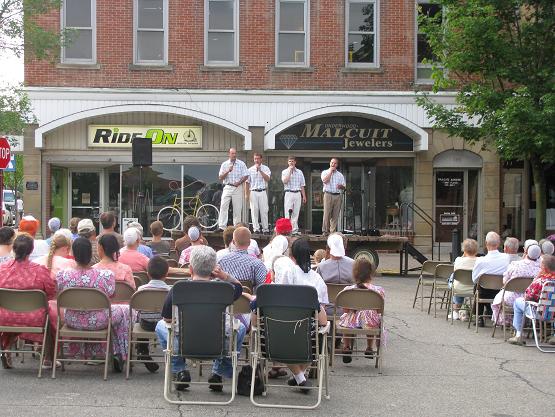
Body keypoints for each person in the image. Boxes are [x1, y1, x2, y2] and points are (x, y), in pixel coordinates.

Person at [155, 245, 246, 391]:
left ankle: (180, 370)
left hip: (183, 345)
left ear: (190, 269)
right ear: (213, 270)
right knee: (240, 327)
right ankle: (219, 372)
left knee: (160, 325)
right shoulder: (224, 290)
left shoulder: (179, 288)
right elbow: (239, 287)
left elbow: (167, 318)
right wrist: (224, 276)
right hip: (219, 344)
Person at [56, 237, 131, 371]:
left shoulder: (62, 275)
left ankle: (107, 353)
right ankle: (119, 352)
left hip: (72, 319)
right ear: (91, 254)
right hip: (98, 320)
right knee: (125, 310)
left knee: (118, 310)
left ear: (73, 254)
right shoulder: (105, 275)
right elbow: (111, 295)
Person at [0, 234, 56, 369]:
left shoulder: (2, 270)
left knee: (13, 313)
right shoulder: (40, 271)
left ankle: (6, 347)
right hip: (34, 316)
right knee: (52, 315)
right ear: (31, 251)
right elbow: (50, 292)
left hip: (4, 315)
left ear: (13, 249)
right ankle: (47, 358)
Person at [286, 238, 328, 391]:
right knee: (320, 333)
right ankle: (300, 376)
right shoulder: (317, 279)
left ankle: (299, 376)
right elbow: (321, 310)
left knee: (283, 341)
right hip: (309, 333)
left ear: (292, 256)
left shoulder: (287, 273)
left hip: (283, 328)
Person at [339, 258, 385, 362]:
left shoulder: (348, 290)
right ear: (371, 273)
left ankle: (346, 346)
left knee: (347, 317)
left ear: (355, 273)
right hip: (370, 323)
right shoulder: (378, 290)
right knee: (372, 317)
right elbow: (379, 311)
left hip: (351, 323)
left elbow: (346, 310)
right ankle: (369, 347)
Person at [134, 256, 171, 373]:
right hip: (165, 324)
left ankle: (142, 349)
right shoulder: (170, 290)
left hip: (146, 324)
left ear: (148, 274)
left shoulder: (141, 289)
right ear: (166, 274)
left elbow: (137, 308)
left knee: (139, 317)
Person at [508, 254, 555, 345]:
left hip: (540, 313)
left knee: (518, 302)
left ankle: (518, 335)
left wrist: (536, 278)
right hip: (554, 313)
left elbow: (528, 297)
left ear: (544, 267)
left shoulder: (540, 281)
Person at [491, 242, 541, 325]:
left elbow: (505, 282)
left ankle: (505, 321)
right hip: (531, 299)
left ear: (526, 252)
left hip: (510, 298)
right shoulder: (540, 269)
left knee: (500, 297)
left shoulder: (516, 264)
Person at [472, 231, 511, 326]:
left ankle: (479, 317)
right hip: (500, 291)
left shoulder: (480, 260)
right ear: (498, 244)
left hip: (484, 292)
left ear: (486, 244)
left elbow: (474, 279)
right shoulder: (506, 258)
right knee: (479, 287)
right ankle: (490, 312)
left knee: (477, 287)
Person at [217, 147, 248, 230]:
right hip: (227, 186)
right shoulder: (224, 164)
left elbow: (246, 175)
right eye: (232, 153)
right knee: (223, 206)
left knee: (237, 208)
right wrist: (228, 171)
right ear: (229, 154)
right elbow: (220, 177)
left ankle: (236, 227)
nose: (234, 155)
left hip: (237, 187)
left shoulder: (241, 164)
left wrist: (239, 182)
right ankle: (222, 226)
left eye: (235, 153)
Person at [449, 238, 478, 320]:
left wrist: (463, 255)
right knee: (455, 279)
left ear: (464, 251)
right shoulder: (480, 260)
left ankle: (455, 310)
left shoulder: (458, 260)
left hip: (459, 289)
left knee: (452, 279)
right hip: (475, 289)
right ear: (476, 251)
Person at [246, 153, 271, 234]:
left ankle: (265, 229)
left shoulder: (266, 168)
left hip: (263, 191)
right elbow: (247, 182)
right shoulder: (249, 170)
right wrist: (247, 194)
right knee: (254, 211)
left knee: (264, 211)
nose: (256, 160)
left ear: (261, 159)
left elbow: (267, 179)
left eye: (258, 158)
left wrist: (260, 170)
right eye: (255, 159)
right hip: (253, 192)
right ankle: (256, 229)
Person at [281, 156, 306, 235]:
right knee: (288, 212)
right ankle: (287, 230)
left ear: (295, 162)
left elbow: (302, 185)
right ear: (288, 162)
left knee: (296, 212)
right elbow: (285, 181)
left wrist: (304, 196)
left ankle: (294, 230)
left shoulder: (300, 172)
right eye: (289, 161)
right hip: (289, 192)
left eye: (292, 161)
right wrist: (290, 171)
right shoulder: (285, 171)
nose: (291, 163)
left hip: (297, 193)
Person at [321, 158, 346, 235]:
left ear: (337, 165)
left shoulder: (340, 175)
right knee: (327, 213)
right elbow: (325, 181)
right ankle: (325, 231)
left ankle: (332, 231)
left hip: (337, 195)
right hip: (328, 194)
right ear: (330, 163)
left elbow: (344, 187)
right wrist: (330, 172)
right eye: (332, 163)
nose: (333, 164)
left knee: (335, 214)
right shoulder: (325, 172)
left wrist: (341, 186)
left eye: (335, 163)